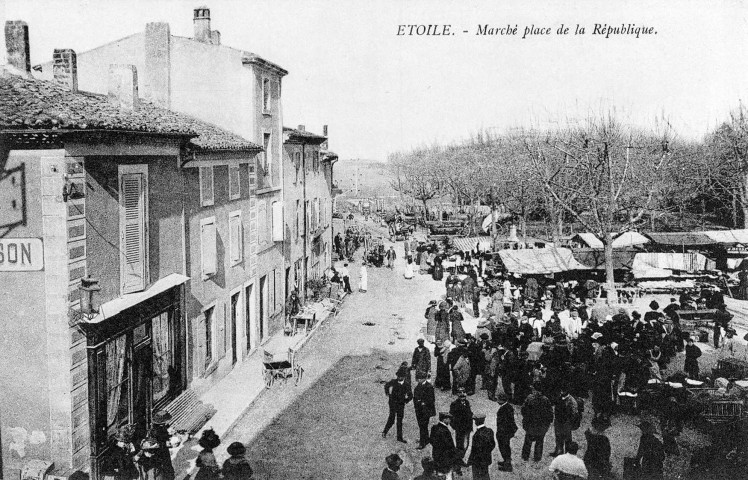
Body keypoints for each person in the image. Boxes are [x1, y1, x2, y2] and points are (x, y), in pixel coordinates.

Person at [521, 383, 554, 462]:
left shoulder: (530, 398)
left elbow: (523, 410)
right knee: (539, 442)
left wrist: (525, 419)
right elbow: (550, 413)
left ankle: (525, 456)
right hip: (541, 426)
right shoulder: (546, 400)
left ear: (535, 389)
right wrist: (547, 424)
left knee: (528, 441)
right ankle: (537, 458)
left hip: (531, 425)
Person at [382, 372, 412, 443]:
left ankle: (399, 437)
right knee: (391, 418)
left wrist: (405, 401)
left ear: (404, 377)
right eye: (398, 376)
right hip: (392, 403)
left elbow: (410, 395)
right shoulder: (393, 381)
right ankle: (384, 432)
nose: (399, 378)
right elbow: (386, 385)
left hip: (401, 405)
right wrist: (388, 393)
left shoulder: (407, 385)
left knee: (399, 421)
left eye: (401, 377)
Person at [147, 410, 175, 480]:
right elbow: (156, 444)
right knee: (163, 470)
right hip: (159, 453)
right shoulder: (155, 431)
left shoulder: (162, 427)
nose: (169, 421)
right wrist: (167, 443)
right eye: (167, 419)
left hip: (164, 451)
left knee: (167, 468)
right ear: (163, 421)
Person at [551, 387, 578, 457]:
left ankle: (567, 453)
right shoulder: (559, 397)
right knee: (558, 437)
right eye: (561, 391)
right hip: (558, 421)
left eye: (563, 391)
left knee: (567, 438)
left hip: (566, 422)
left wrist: (570, 421)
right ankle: (558, 451)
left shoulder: (571, 400)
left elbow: (574, 412)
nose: (561, 392)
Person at [495, 392, 518, 472]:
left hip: (503, 433)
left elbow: (504, 423)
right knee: (506, 447)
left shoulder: (503, 409)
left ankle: (507, 466)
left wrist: (500, 433)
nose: (497, 401)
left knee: (504, 448)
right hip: (506, 432)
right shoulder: (508, 406)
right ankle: (506, 461)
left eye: (498, 399)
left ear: (502, 400)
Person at [468, 414, 496, 480]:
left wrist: (470, 460)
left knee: (476, 476)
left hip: (477, 461)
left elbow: (474, 450)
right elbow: (493, 444)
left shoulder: (476, 435)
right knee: (485, 474)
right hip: (486, 459)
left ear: (475, 422)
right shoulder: (489, 431)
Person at [414, 371, 436, 449]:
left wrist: (423, 402)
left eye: (420, 378)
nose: (419, 380)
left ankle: (422, 442)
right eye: (418, 378)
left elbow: (431, 399)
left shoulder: (429, 387)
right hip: (419, 410)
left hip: (426, 410)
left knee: (423, 425)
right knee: (422, 425)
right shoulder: (418, 386)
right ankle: (426, 439)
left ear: (424, 378)